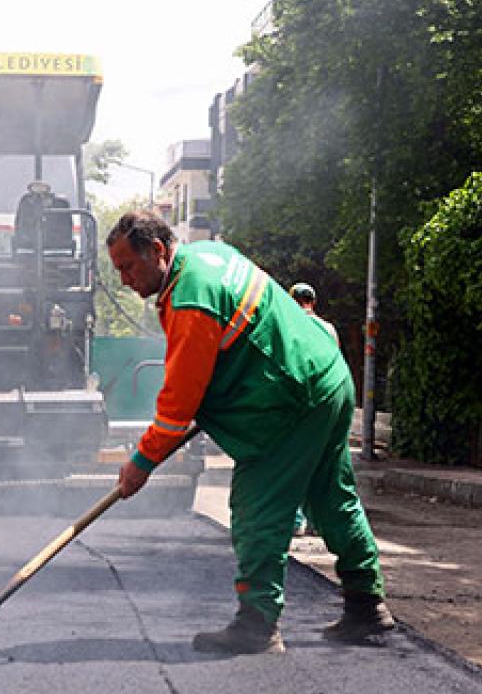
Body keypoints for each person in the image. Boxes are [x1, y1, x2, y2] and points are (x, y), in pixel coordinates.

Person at [106, 211, 394, 654]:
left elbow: (176, 406)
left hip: (289, 401)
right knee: (331, 496)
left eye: (128, 266)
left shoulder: (190, 299)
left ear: (158, 251)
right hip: (327, 377)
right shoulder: (210, 256)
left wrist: (141, 464)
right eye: (118, 270)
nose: (125, 279)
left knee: (257, 506)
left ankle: (257, 623)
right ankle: (367, 606)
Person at [289, 281, 338, 537]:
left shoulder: (290, 325)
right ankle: (319, 522)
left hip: (298, 403)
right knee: (322, 463)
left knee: (295, 463)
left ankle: (296, 522)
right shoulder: (329, 329)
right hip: (327, 401)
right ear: (313, 302)